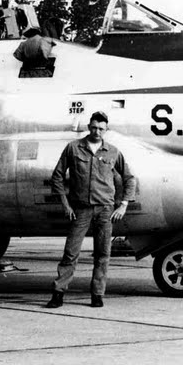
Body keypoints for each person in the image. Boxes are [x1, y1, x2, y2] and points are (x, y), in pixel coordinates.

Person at [46, 111, 135, 308]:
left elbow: (129, 179)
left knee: (103, 253)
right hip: (81, 210)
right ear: (89, 126)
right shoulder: (73, 148)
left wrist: (123, 204)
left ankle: (97, 295)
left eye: (101, 129)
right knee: (71, 252)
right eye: (94, 127)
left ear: (106, 130)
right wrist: (65, 204)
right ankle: (58, 293)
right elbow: (57, 176)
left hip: (105, 209)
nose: (97, 131)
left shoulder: (113, 152)